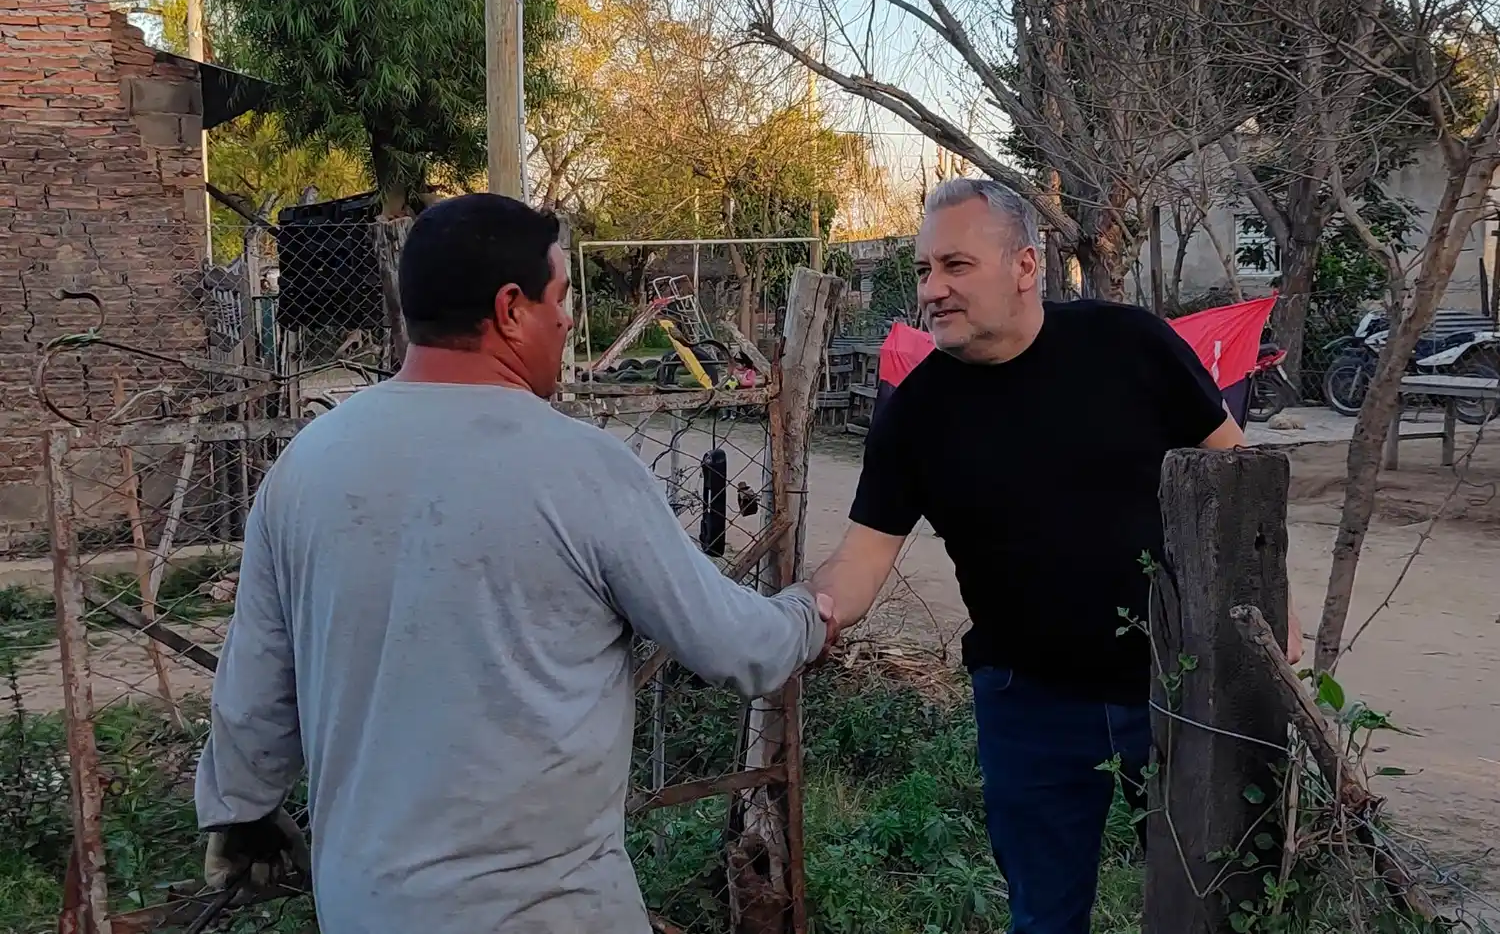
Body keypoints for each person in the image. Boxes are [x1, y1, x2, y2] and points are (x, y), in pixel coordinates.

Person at [194, 193, 836, 933]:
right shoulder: (581, 469)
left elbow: (254, 693)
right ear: (509, 309)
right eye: (558, 297)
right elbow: (739, 647)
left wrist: (240, 808)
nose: (567, 321)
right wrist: (808, 616)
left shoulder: (305, 466)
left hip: (367, 906)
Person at [811, 178, 1303, 934]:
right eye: (922, 270)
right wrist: (801, 617)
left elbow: (1238, 486)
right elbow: (863, 559)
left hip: (1173, 687)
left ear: (1025, 266)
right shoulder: (916, 414)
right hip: (1026, 703)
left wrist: (1276, 623)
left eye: (955, 266)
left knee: (1218, 905)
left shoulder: (1131, 347)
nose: (932, 290)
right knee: (1044, 918)